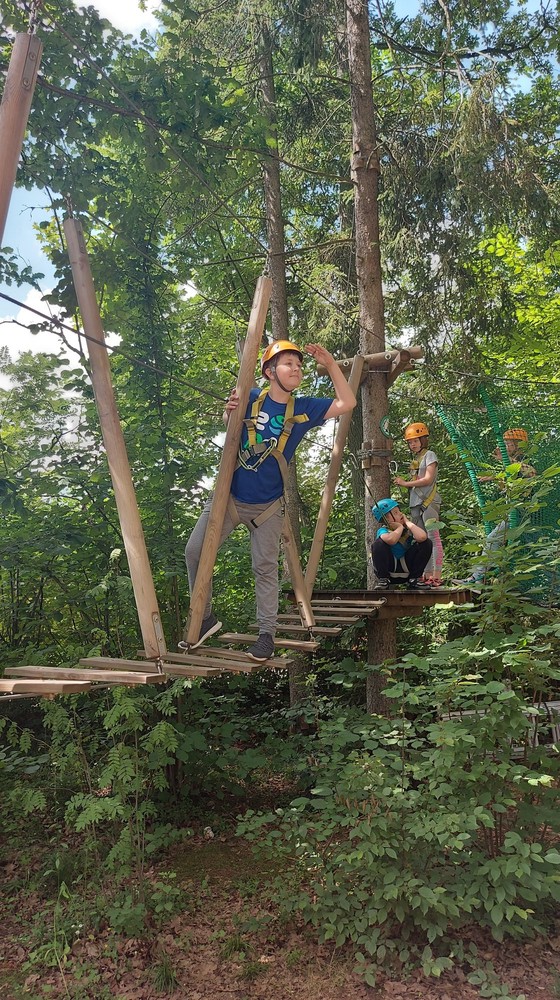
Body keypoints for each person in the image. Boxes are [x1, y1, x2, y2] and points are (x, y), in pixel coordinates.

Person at [184, 339, 356, 661]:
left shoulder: (304, 408)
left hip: (267, 507)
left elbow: (347, 402)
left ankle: (266, 635)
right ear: (269, 372)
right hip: (229, 498)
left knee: (264, 568)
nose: (296, 369)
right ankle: (205, 618)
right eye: (288, 364)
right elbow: (229, 427)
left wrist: (331, 364)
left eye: (299, 365)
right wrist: (228, 412)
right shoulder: (251, 397)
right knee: (194, 552)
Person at [453, 428, 537, 586]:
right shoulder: (511, 465)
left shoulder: (525, 462)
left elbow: (530, 473)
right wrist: (494, 478)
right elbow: (507, 488)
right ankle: (483, 580)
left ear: (519, 445)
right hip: (515, 513)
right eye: (504, 443)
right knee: (512, 545)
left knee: (493, 539)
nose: (505, 447)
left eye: (509, 444)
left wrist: (505, 462)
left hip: (523, 513)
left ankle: (477, 579)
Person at [393, 421, 444, 586]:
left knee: (433, 537)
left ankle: (437, 575)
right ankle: (426, 574)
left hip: (428, 501)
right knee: (422, 540)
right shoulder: (416, 459)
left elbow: (428, 479)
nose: (412, 445)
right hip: (416, 503)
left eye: (415, 441)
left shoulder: (430, 455)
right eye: (410, 442)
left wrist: (405, 483)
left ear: (423, 440)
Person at [371, 498, 433, 589]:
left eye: (399, 511)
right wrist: (399, 527)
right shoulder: (383, 530)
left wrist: (408, 522)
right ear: (387, 519)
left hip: (407, 569)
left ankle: (414, 579)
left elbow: (422, 537)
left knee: (426, 543)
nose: (400, 513)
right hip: (390, 570)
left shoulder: (408, 529)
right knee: (378, 544)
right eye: (396, 512)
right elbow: (391, 540)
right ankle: (383, 579)